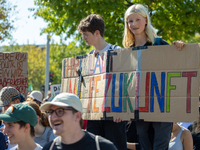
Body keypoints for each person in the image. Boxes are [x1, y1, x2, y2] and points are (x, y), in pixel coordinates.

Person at [123, 4, 184, 150]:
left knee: (160, 145)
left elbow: (177, 68)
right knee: (144, 144)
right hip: (140, 105)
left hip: (162, 104)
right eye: (130, 21)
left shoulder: (160, 44)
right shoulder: (128, 51)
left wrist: (179, 49)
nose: (134, 24)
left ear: (145, 20)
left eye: (137, 19)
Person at [78, 13, 127, 150]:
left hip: (114, 115)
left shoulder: (117, 51)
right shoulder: (88, 57)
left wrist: (122, 110)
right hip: (94, 115)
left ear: (97, 33)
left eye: (86, 35)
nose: (84, 39)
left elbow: (126, 83)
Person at [40, 92, 117, 150]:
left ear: (77, 116)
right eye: (50, 112)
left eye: (60, 111)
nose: (53, 117)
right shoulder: (48, 148)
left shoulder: (103, 147)